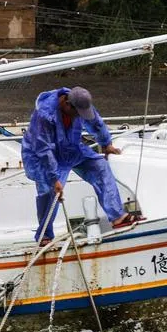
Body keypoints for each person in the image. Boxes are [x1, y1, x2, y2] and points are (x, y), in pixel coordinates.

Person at [21, 86, 136, 245]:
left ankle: (117, 216)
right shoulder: (44, 114)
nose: (80, 117)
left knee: (100, 166)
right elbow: (43, 148)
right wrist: (54, 179)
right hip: (42, 155)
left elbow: (94, 122)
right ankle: (45, 236)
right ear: (67, 104)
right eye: (77, 114)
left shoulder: (80, 102)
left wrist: (106, 143)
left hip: (71, 148)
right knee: (49, 192)